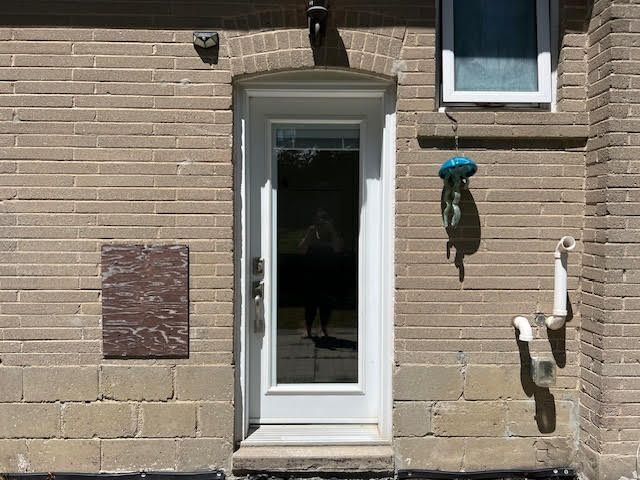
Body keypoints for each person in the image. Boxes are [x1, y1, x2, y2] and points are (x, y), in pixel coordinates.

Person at [298, 208, 342, 338]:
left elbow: (338, 248)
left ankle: (324, 328)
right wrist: (308, 235)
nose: (321, 224)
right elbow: (301, 250)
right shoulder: (311, 233)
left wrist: (332, 231)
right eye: (318, 221)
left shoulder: (332, 234)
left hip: (327, 273)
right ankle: (308, 329)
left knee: (326, 303)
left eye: (324, 220)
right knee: (310, 303)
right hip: (311, 273)